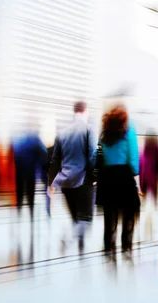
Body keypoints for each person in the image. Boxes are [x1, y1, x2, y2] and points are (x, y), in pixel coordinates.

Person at [48, 101, 97, 253]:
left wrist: (51, 184)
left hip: (65, 183)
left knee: (76, 218)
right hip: (83, 180)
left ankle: (80, 246)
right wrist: (94, 176)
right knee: (86, 219)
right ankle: (69, 238)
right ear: (85, 111)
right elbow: (92, 155)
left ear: (74, 112)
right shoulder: (89, 129)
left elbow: (55, 160)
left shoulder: (62, 133)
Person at [96, 104, 140, 258]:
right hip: (123, 175)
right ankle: (126, 248)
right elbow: (133, 157)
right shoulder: (129, 126)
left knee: (110, 216)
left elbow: (98, 152)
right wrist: (134, 170)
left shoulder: (105, 128)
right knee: (129, 213)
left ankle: (109, 248)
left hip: (107, 177)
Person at [13, 129, 48, 223]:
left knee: (20, 197)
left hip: (19, 175)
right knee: (30, 198)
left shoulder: (18, 141)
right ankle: (31, 218)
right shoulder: (35, 140)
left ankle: (19, 217)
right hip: (30, 175)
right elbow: (44, 156)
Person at [140, 132, 158, 240]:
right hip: (153, 182)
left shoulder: (143, 153)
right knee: (152, 204)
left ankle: (147, 226)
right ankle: (150, 226)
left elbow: (140, 167)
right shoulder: (156, 154)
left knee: (147, 204)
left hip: (145, 181)